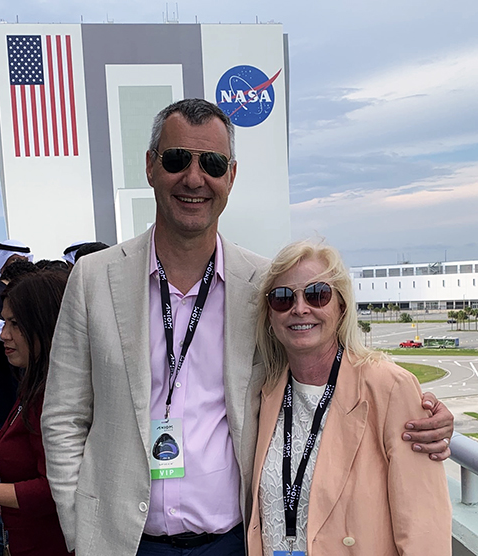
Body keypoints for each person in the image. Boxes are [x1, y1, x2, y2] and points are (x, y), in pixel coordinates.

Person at [41, 99, 453, 556]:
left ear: (230, 177)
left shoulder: (264, 287)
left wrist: (422, 412)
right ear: (151, 167)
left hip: (233, 541)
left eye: (212, 164)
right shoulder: (94, 279)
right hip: (121, 541)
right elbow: (63, 417)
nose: (194, 178)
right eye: (178, 159)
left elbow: (322, 369)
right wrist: (80, 533)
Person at [247, 241, 452, 555]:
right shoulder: (267, 391)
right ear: (270, 318)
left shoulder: (389, 387)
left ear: (341, 306)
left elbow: (425, 529)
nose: (300, 308)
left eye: (317, 294)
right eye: (283, 298)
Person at [0, 271, 71, 556]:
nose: (3, 333)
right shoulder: (34, 382)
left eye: (15, 324)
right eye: (4, 322)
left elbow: (54, 491)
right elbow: (24, 451)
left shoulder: (56, 395)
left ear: (47, 325)